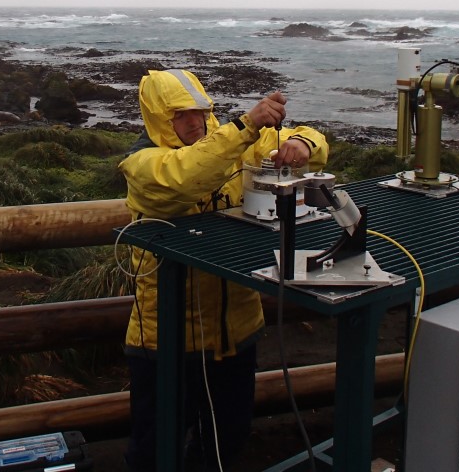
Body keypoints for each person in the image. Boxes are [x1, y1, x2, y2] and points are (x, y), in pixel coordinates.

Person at [119, 68, 329, 471]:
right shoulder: (141, 164)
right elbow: (189, 175)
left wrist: (301, 143)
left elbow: (311, 140)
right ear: (158, 118)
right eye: (179, 115)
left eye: (199, 110)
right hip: (166, 338)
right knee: (153, 450)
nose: (193, 121)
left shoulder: (233, 140)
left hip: (237, 332)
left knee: (224, 444)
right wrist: (247, 125)